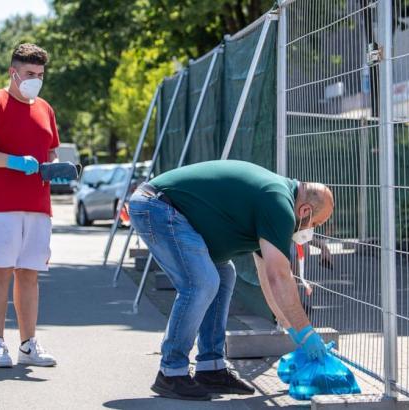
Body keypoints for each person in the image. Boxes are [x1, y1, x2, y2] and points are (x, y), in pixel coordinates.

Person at [127, 160, 334, 401]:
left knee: (224, 276)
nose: (312, 231)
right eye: (316, 224)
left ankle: (211, 368)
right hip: (157, 207)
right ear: (305, 211)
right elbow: (280, 277)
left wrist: (295, 332)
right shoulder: (279, 204)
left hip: (162, 207)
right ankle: (171, 372)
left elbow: (268, 280)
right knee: (201, 283)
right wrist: (308, 333)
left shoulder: (276, 200)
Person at [0, 43, 60, 368]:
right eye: (30, 73)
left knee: (29, 274)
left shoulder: (45, 108)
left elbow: (51, 151)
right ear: (13, 72)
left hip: (37, 205)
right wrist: (12, 162)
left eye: (40, 74)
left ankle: (29, 344)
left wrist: (54, 167)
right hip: (0, 204)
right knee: (1, 269)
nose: (36, 79)